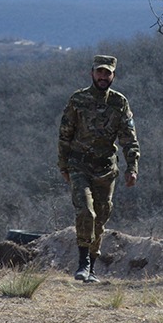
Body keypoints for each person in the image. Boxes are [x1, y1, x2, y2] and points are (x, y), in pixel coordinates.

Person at [57, 54, 139, 282]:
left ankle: (91, 267)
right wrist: (63, 165)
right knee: (85, 211)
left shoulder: (119, 103)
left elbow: (128, 138)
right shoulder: (78, 100)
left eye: (107, 73)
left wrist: (132, 167)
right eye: (99, 72)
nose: (103, 77)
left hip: (105, 169)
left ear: (113, 75)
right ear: (92, 73)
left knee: (100, 218)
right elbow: (65, 134)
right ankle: (82, 263)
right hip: (79, 165)